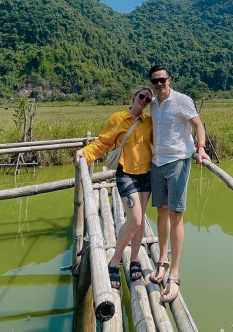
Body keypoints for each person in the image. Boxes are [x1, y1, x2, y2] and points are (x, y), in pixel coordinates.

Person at [75, 85, 154, 290]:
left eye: (148, 100)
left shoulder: (149, 122)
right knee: (135, 219)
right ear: (134, 96)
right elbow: (103, 143)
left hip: (146, 174)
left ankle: (134, 258)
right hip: (126, 174)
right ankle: (115, 261)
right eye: (141, 96)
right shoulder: (117, 118)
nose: (144, 101)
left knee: (140, 219)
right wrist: (85, 153)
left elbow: (159, 143)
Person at [146, 65, 210, 303]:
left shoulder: (182, 100)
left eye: (162, 80)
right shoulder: (152, 104)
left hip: (178, 162)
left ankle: (174, 273)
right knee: (161, 210)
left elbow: (198, 126)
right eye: (155, 81)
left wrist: (200, 149)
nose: (159, 84)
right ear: (152, 83)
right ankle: (162, 260)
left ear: (169, 80)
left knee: (176, 214)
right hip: (157, 162)